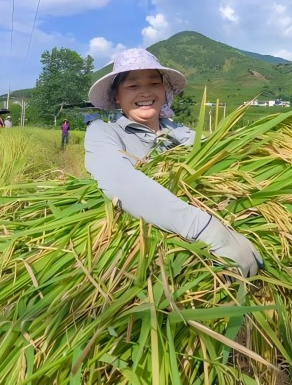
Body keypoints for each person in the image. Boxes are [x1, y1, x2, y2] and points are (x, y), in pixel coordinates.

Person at [84, 48, 264, 277]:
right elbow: (119, 180)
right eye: (133, 86)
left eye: (154, 83)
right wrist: (209, 232)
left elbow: (226, 157)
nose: (146, 92)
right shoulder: (104, 132)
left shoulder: (183, 133)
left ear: (164, 89)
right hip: (156, 266)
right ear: (116, 96)